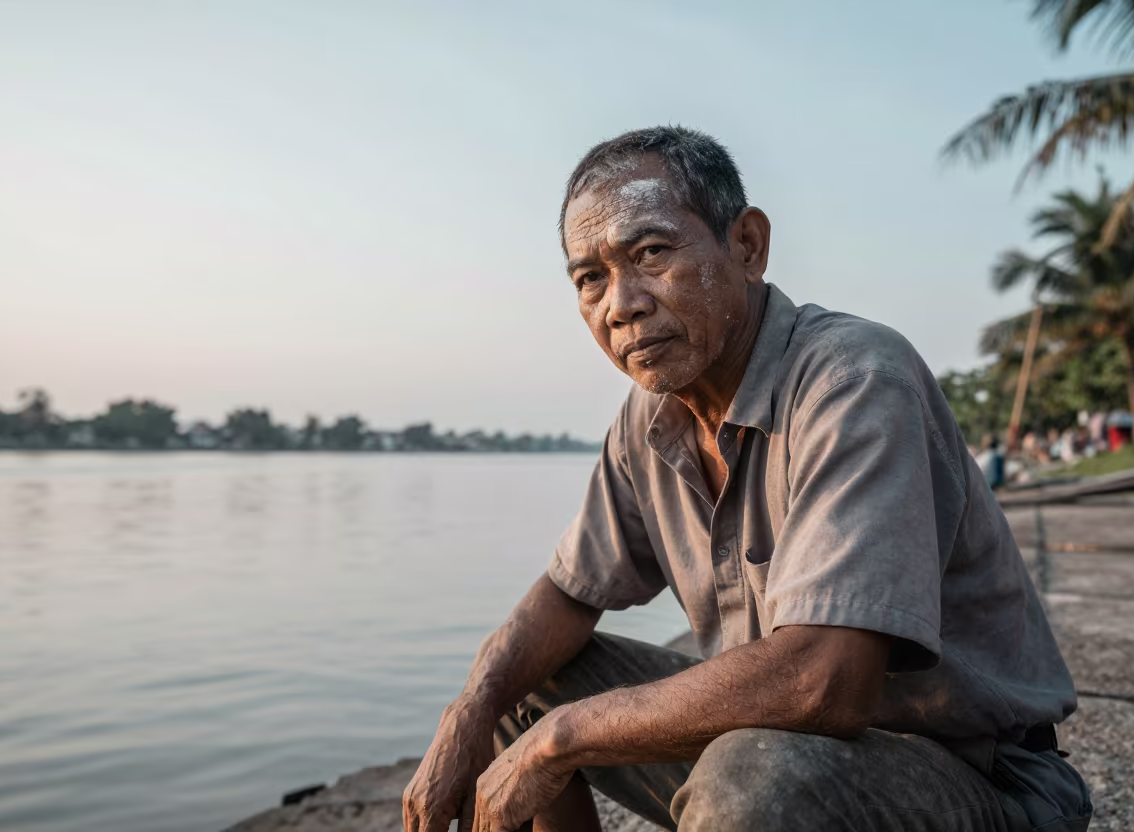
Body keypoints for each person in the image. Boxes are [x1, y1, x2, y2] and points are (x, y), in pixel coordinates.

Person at [403, 127, 1091, 832]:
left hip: (982, 776)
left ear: (748, 246)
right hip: (801, 746)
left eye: (650, 253)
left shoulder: (853, 379)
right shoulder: (651, 420)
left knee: (750, 776)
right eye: (591, 279)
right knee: (521, 690)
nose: (621, 305)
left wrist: (560, 742)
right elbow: (565, 595)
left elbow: (825, 680)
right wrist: (470, 710)